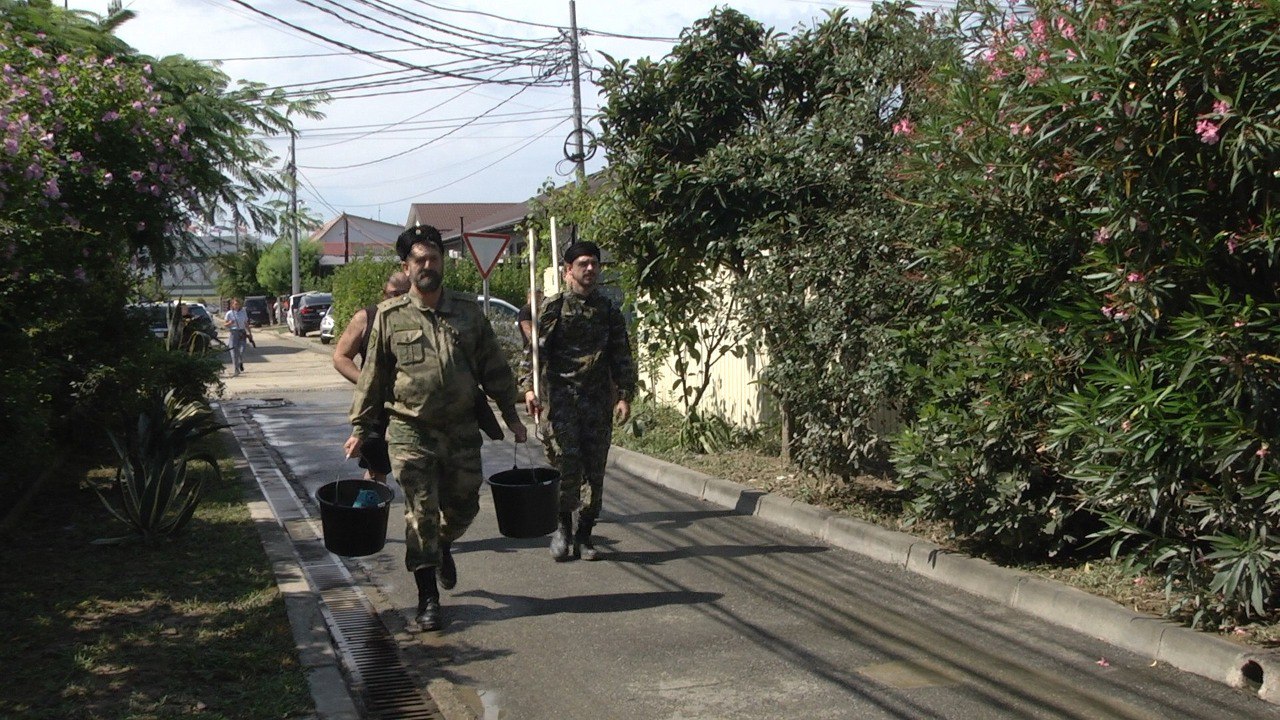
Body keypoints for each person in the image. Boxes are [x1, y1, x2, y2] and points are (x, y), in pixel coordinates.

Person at [343, 225, 528, 632]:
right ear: (406, 268)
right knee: (420, 512)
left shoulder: (467, 313)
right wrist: (361, 426)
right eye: (419, 261)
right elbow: (372, 375)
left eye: (434, 259)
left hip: (462, 429)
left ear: (442, 263)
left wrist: (512, 417)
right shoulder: (390, 318)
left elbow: (494, 367)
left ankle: (443, 544)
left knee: (464, 508)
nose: (428, 266)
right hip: (411, 430)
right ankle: (428, 597)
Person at [523, 241, 637, 562]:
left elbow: (621, 355)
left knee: (595, 473)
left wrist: (625, 395)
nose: (590, 269)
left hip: (598, 404)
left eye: (594, 264)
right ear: (568, 271)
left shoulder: (609, 311)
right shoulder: (555, 308)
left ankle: (585, 533)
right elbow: (534, 353)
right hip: (561, 403)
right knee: (567, 466)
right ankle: (563, 528)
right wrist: (529, 389)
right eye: (583, 264)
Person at [333, 270, 411, 483]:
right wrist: (366, 382)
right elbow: (341, 357)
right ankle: (370, 513)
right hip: (377, 410)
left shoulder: (420, 317)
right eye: (393, 294)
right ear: (383, 293)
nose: (398, 299)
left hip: (412, 407)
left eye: (404, 294)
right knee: (376, 471)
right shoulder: (366, 317)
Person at [223, 297, 253, 376]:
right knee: (233, 351)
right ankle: (236, 369)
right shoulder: (229, 313)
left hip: (242, 332)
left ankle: (240, 361)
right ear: (232, 305)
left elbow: (246, 323)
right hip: (233, 333)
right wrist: (230, 323)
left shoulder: (243, 312)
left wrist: (249, 333)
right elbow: (225, 324)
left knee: (241, 350)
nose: (236, 306)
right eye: (235, 304)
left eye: (238, 304)